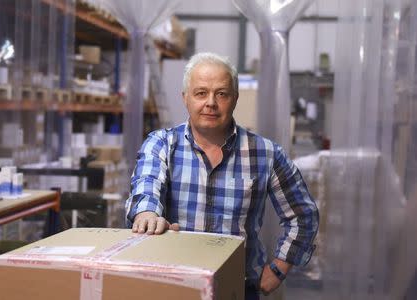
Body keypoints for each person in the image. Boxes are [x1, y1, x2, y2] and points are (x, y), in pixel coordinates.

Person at [125, 52, 319, 299]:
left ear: (235, 98)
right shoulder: (161, 144)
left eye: (221, 94)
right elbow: (146, 185)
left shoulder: (265, 153)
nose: (211, 103)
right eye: (200, 93)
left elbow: (304, 214)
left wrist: (280, 267)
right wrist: (147, 213)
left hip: (239, 287)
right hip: (173, 285)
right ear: (185, 98)